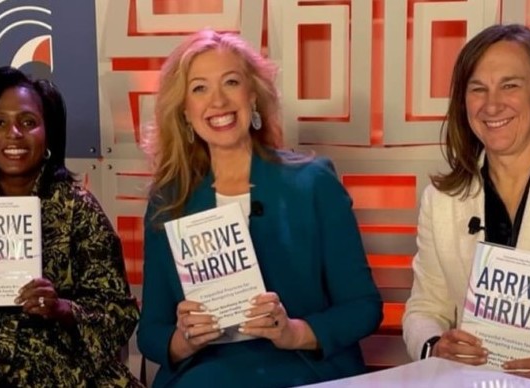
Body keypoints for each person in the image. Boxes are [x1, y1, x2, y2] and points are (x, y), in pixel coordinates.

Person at [137, 29, 383, 387]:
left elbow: (363, 306)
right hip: (206, 373)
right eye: (199, 88)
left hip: (301, 367)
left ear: (253, 96)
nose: (218, 101)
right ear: (185, 112)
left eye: (231, 82)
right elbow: (151, 333)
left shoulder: (314, 182)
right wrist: (183, 340)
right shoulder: (169, 200)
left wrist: (296, 333)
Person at [402, 24, 530, 387]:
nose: (492, 104)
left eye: (510, 85)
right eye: (477, 89)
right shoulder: (443, 200)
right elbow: (424, 308)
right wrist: (435, 346)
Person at [0, 66, 142, 387]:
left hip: (67, 371)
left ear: (47, 134)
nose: (14, 133)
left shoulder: (78, 208)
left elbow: (119, 313)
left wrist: (63, 309)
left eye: (28, 122)